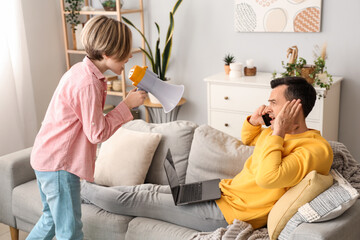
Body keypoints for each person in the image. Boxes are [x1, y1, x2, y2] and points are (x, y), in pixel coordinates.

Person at [80, 76, 333, 232]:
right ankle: (87, 191)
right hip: (219, 190)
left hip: (229, 214)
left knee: (136, 200)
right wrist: (256, 122)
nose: (268, 107)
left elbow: (269, 177)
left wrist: (277, 130)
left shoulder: (315, 149)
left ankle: (77, 188)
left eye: (273, 103)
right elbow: (250, 140)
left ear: (294, 108)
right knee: (150, 190)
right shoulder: (279, 135)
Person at [27, 15, 147, 240]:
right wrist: (126, 106)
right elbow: (97, 133)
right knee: (70, 233)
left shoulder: (81, 73)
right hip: (59, 166)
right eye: (124, 51)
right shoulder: (88, 83)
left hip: (46, 159)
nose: (130, 56)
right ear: (106, 53)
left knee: (50, 221)